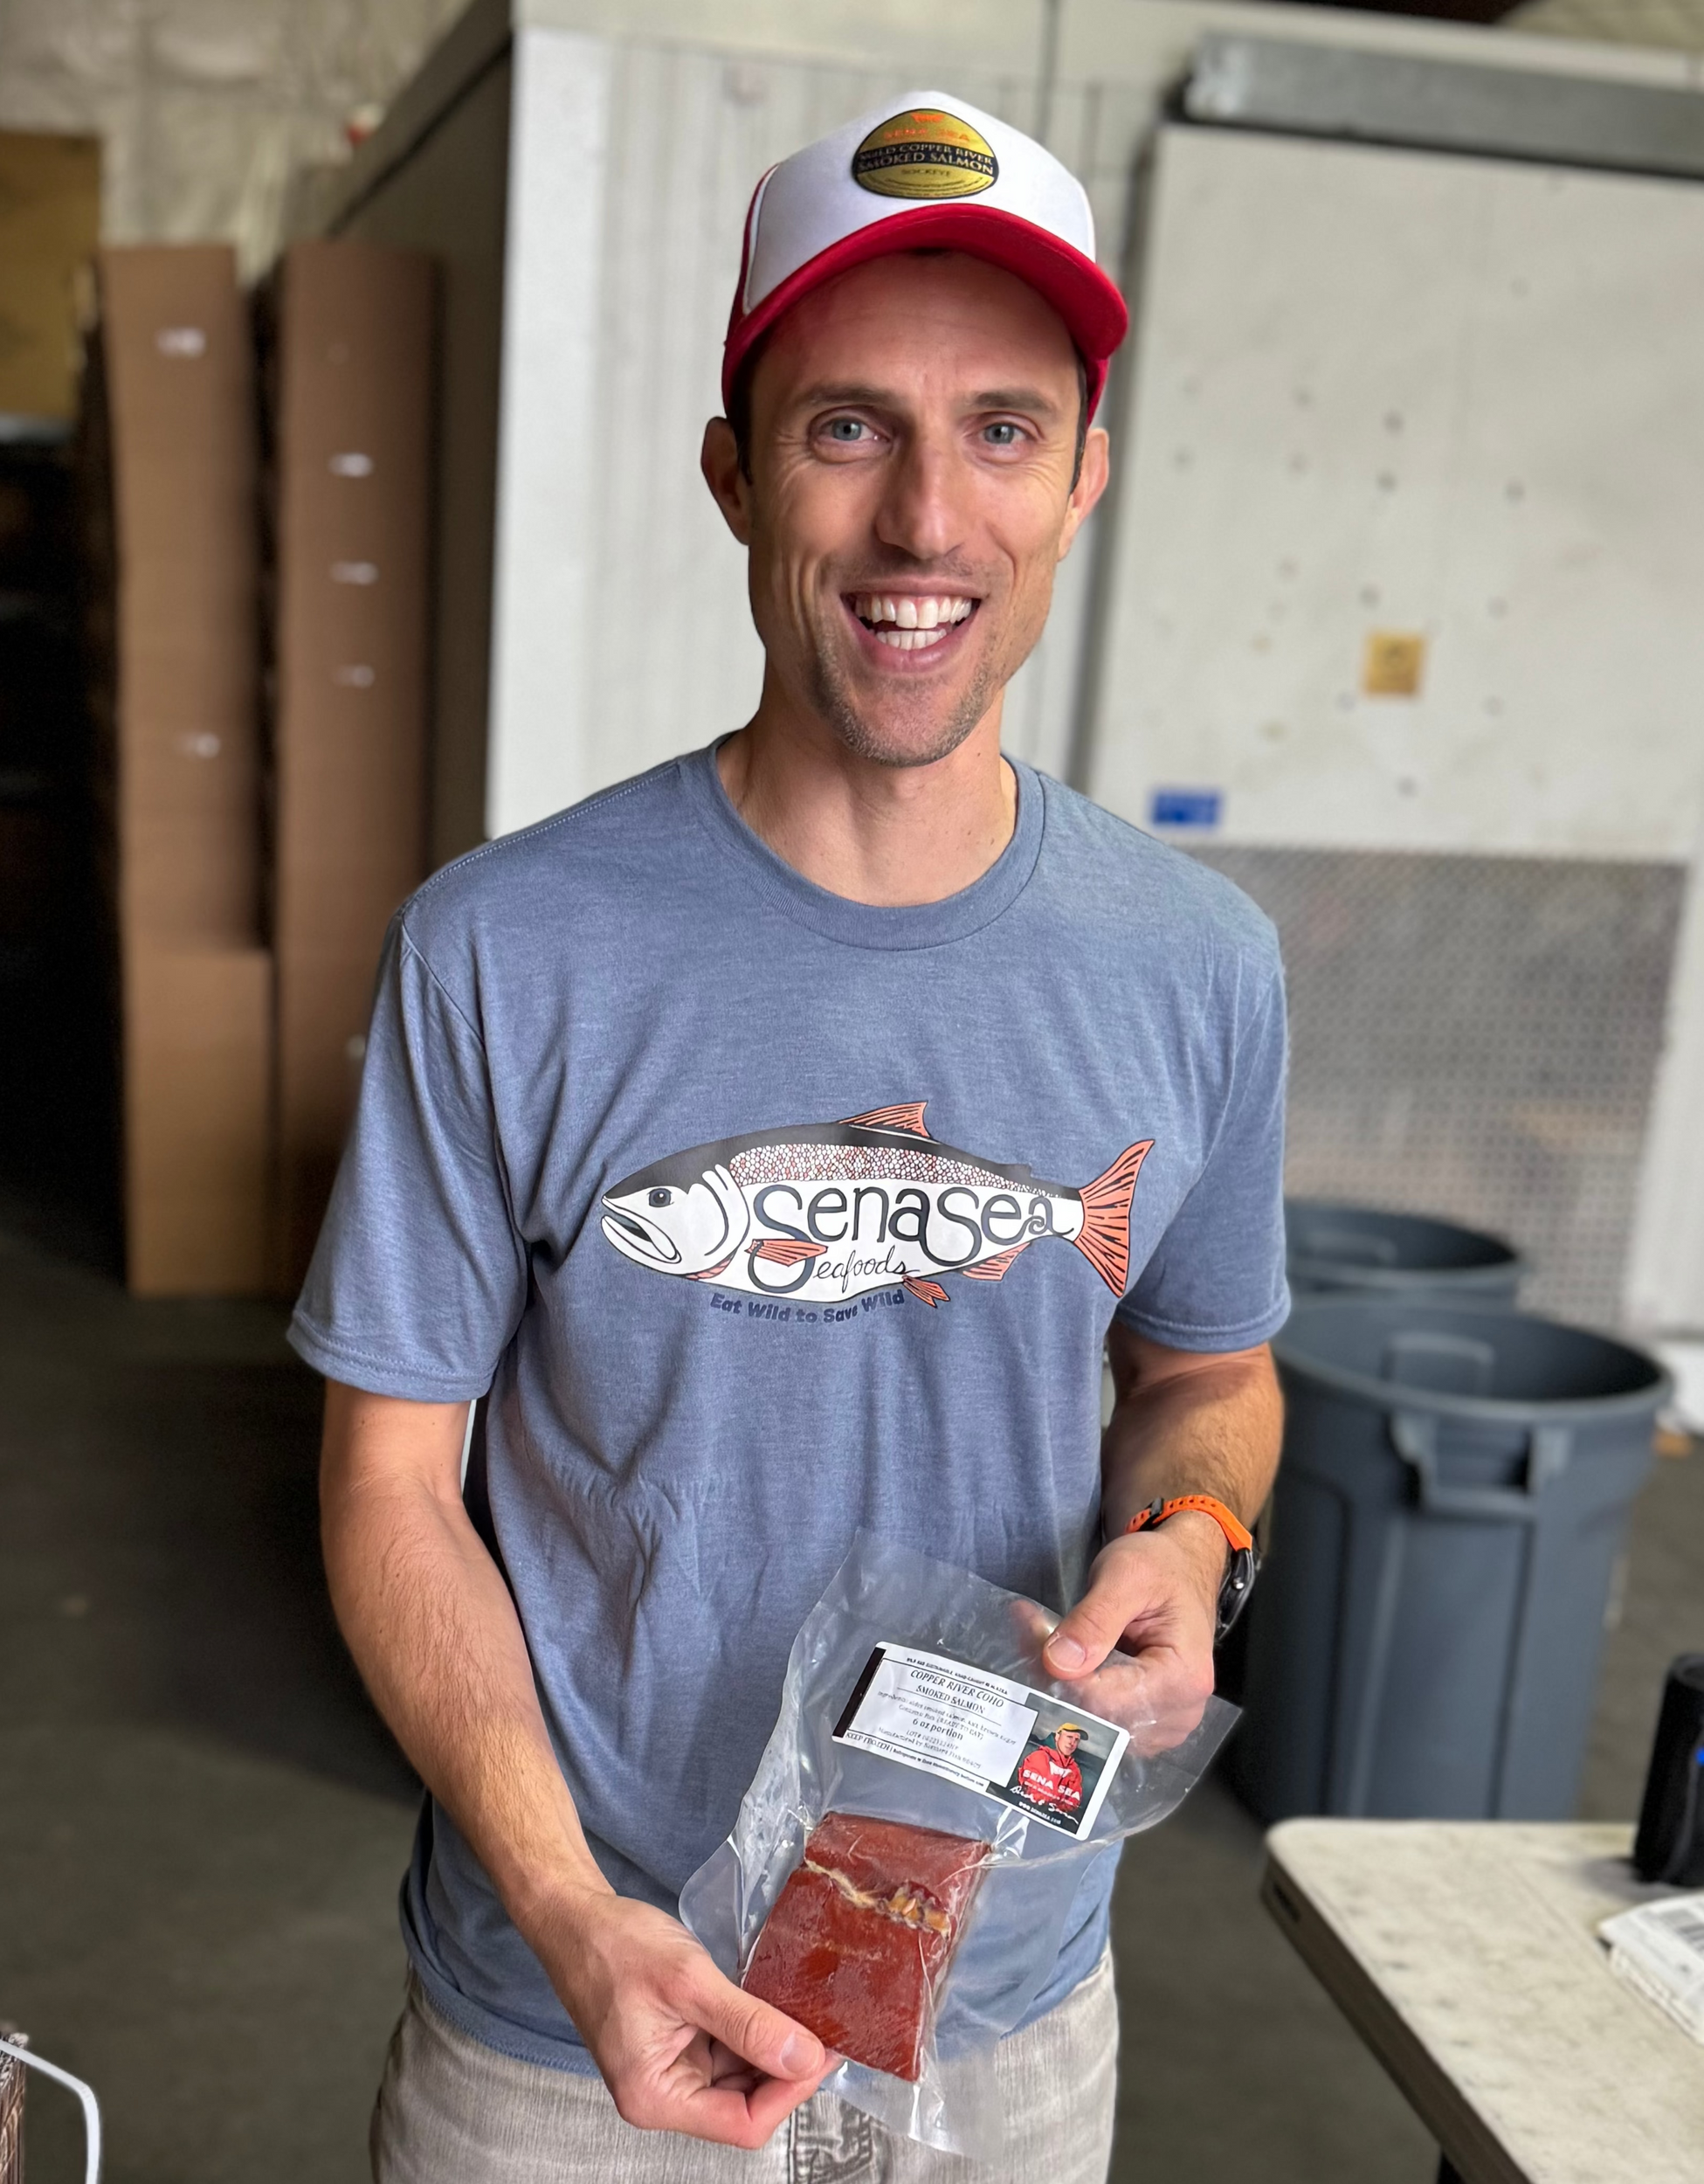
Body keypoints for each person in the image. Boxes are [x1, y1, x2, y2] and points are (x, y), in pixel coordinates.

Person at [297, 90, 1287, 2184]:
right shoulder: (503, 947)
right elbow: (394, 1478)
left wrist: (1191, 1542)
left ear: (1083, 476)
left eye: (1001, 428)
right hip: (561, 2015)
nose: (926, 520)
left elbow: (1206, 1369)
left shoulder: (1196, 963)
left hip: (999, 2004)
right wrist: (571, 1911)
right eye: (847, 427)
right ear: (732, 470)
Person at [1017, 1724, 1088, 1819]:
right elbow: (1030, 1789)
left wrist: (1056, 1812)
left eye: (1076, 1740)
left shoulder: (1074, 1770)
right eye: (1069, 1737)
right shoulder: (1040, 1756)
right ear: (1057, 1737)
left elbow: (1073, 1801)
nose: (1072, 1743)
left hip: (1054, 1817)